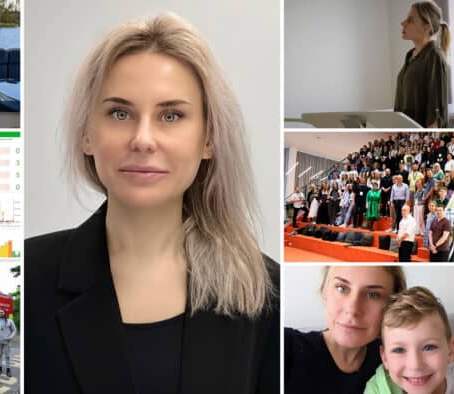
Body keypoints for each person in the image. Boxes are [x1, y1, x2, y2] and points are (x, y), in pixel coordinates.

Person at [27, 13, 279, 394]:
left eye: (171, 115)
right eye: (120, 113)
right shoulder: (29, 274)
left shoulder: (264, 292)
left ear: (208, 139)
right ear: (87, 135)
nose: (143, 139)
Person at [285, 266, 407, 393]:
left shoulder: (397, 360)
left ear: (392, 308)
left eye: (373, 295)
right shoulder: (284, 346)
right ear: (324, 293)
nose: (352, 310)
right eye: (341, 288)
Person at [365, 287, 454, 393]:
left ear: (450, 350)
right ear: (385, 358)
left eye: (429, 347)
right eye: (399, 350)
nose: (415, 365)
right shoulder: (377, 390)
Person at [395, 1, 450, 128]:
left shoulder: (433, 56)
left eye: (410, 20)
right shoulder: (410, 56)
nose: (402, 23)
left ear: (427, 27)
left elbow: (435, 111)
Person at [0, 308, 17, 377]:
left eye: (2, 312)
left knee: (7, 356)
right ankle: (0, 367)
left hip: (7, 341)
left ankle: (8, 369)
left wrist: (11, 337)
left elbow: (15, 330)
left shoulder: (10, 321)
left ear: (5, 313)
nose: (1, 313)